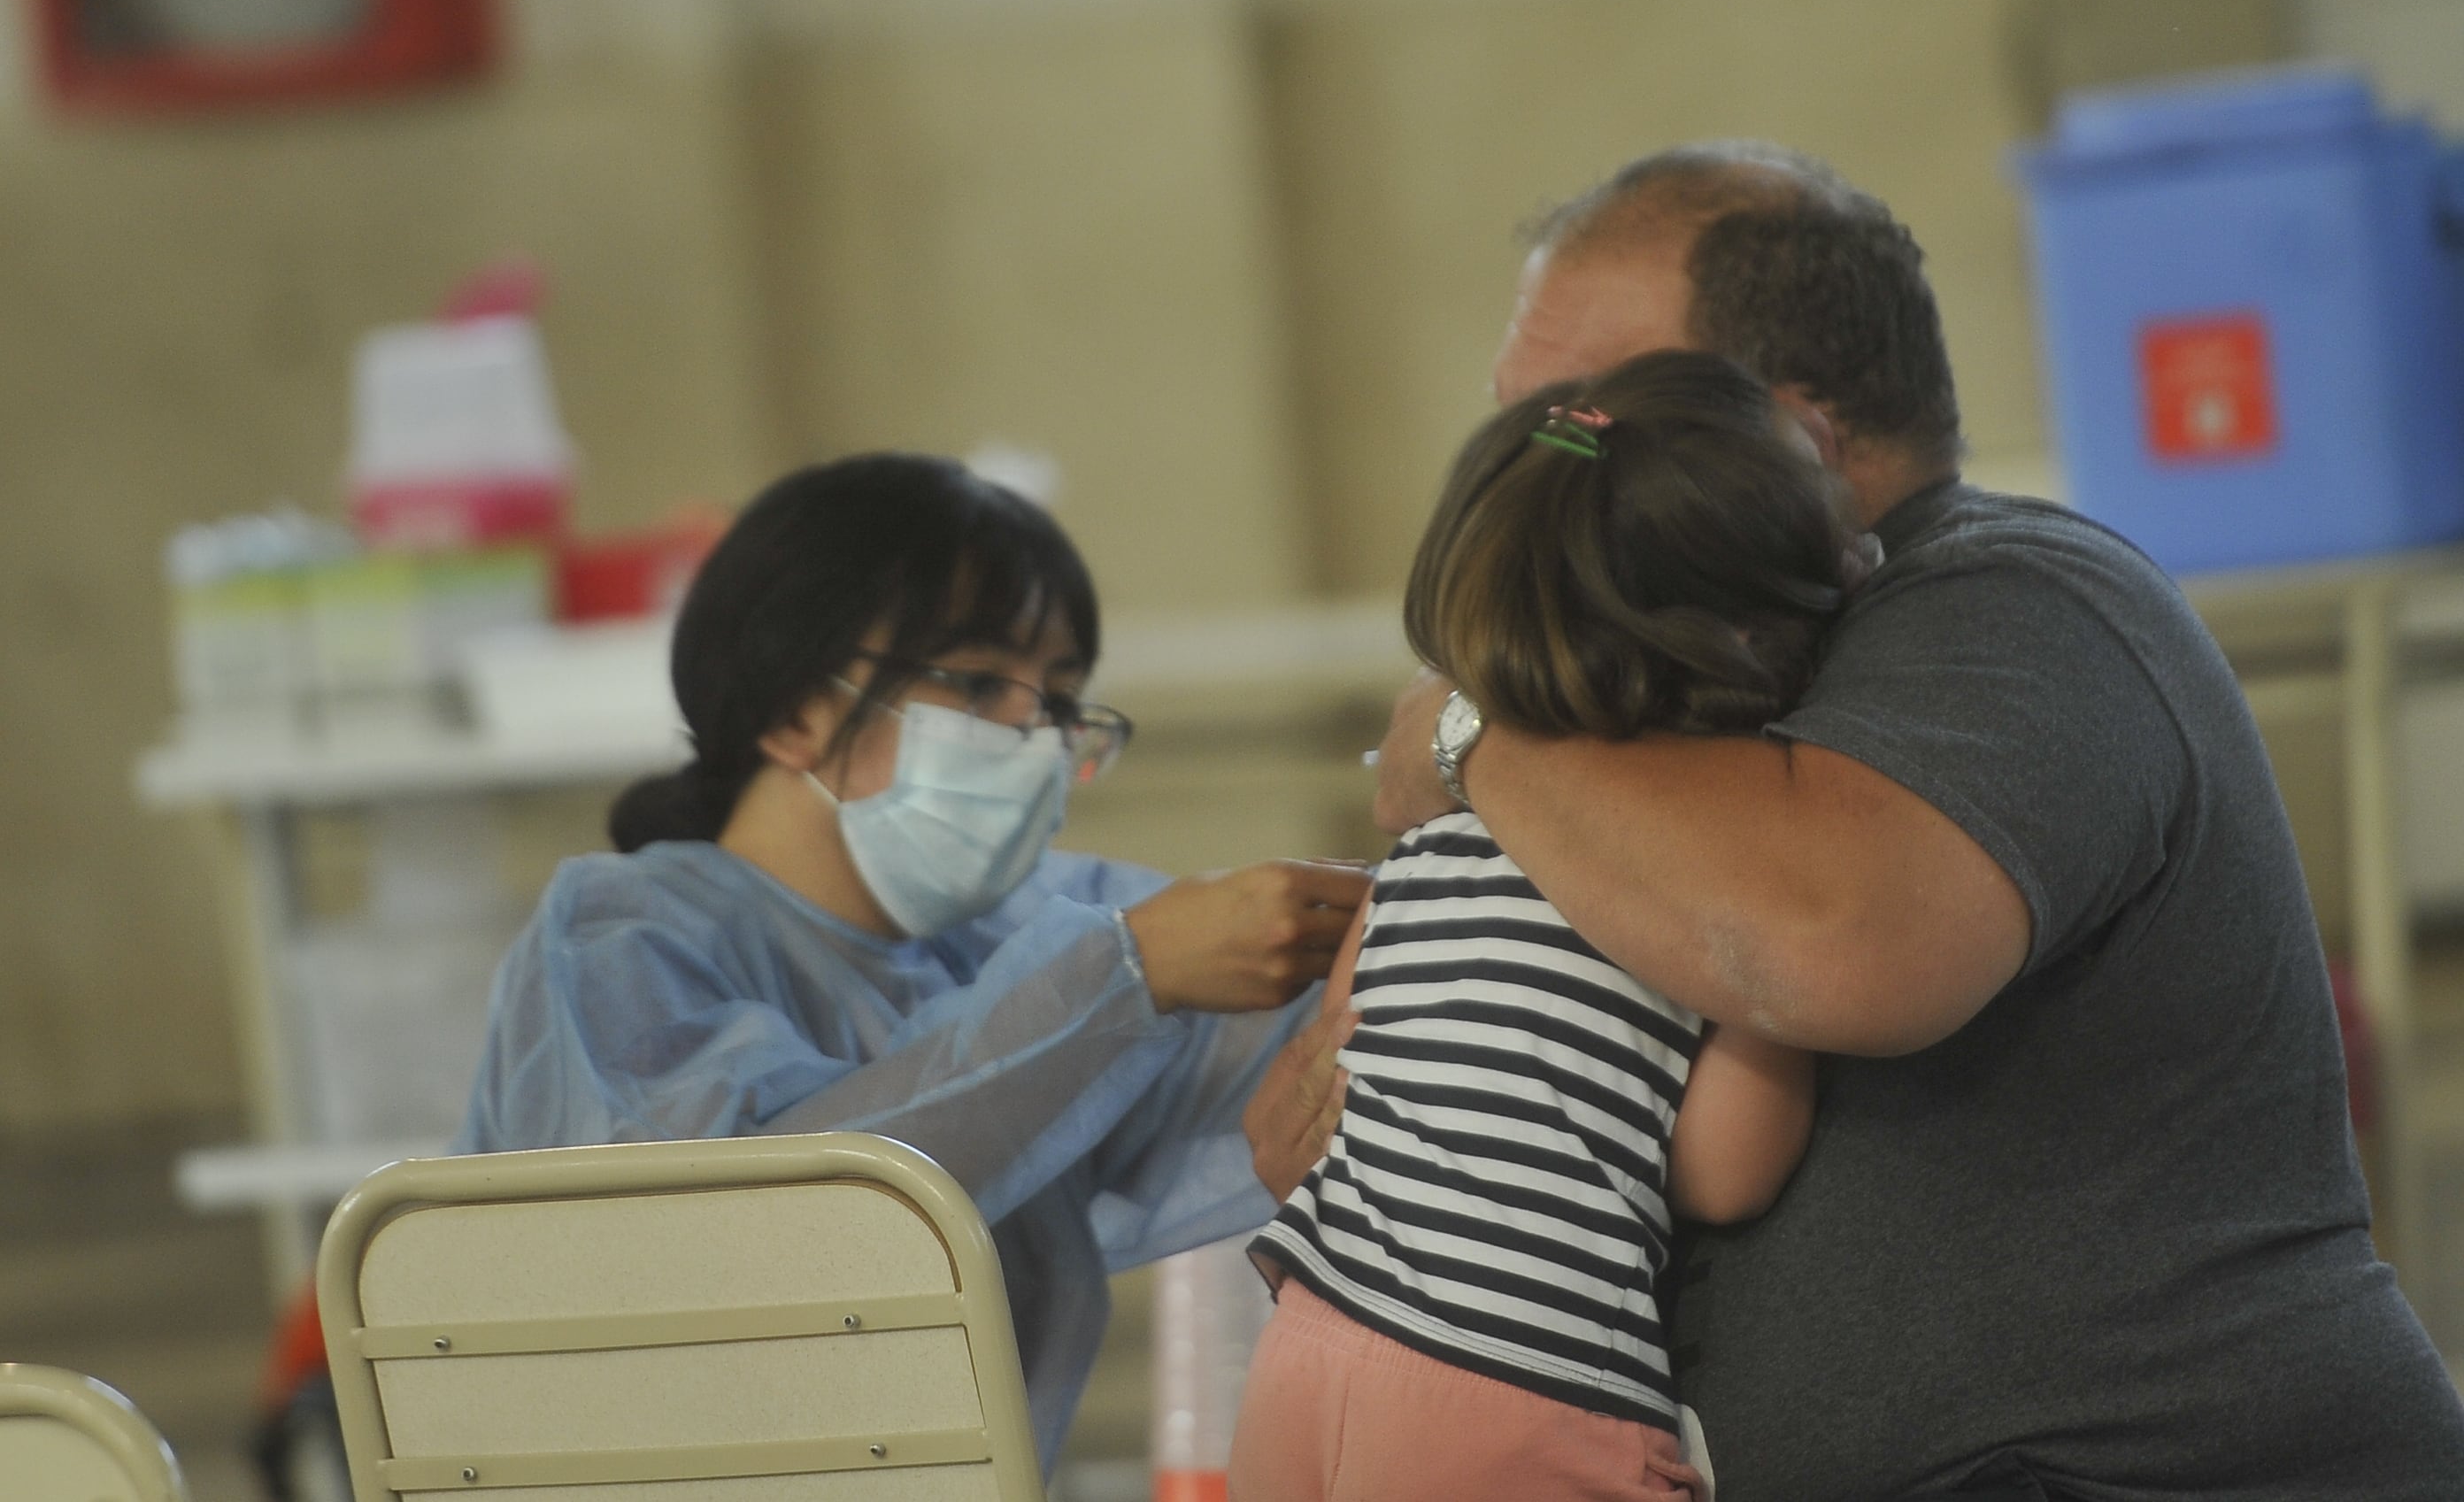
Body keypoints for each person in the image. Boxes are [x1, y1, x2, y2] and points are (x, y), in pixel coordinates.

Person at [1249, 143, 2464, 1499]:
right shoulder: (1667, 698)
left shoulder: (2014, 603)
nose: (1542, 478)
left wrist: (1474, 733)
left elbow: (1832, 947)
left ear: (1799, 438)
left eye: (1589, 416)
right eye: (1528, 427)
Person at [458, 453, 1371, 1474]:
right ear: (796, 709)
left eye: (1063, 704)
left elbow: (1285, 1039)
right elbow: (732, 1238)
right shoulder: (624, 937)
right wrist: (1125, 978)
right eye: (981, 683)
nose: (1033, 737)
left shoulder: (1011, 942)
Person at [1229, 350, 1850, 1502]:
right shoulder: (1685, 890)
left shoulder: (1418, 857)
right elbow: (1724, 1176)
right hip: (1515, 1389)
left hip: (1309, 1353)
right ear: (1768, 643)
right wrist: (1782, 999)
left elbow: (1340, 1065)